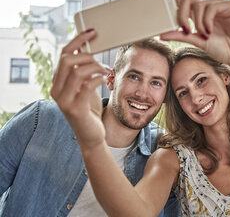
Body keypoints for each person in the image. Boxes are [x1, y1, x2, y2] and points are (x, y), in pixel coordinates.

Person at [54, 0, 230, 216]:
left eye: (201, 80)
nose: (196, 96)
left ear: (225, 77)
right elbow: (136, 212)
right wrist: (91, 143)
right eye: (182, 92)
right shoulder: (174, 159)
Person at [0, 34, 179, 216]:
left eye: (156, 83)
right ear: (111, 80)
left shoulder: (166, 153)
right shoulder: (41, 119)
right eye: (134, 77)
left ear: (165, 95)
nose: (143, 93)